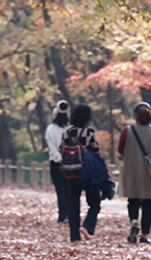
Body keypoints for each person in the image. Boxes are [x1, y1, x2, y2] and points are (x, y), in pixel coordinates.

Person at [118, 101, 151, 245]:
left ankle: (134, 221)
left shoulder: (128, 130)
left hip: (133, 170)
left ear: (135, 115)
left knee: (133, 199)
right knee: (149, 203)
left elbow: (121, 149)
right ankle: (144, 235)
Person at [61, 103, 101, 242]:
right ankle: (87, 226)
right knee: (94, 203)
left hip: (71, 172)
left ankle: (74, 236)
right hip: (88, 173)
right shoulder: (89, 132)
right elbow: (96, 151)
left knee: (73, 204)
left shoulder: (66, 133)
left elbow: (62, 150)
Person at [45, 100, 71, 223]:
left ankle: (63, 215)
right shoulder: (71, 128)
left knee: (60, 189)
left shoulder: (50, 129)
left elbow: (52, 147)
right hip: (71, 162)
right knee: (70, 189)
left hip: (56, 163)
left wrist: (59, 159)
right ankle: (70, 214)